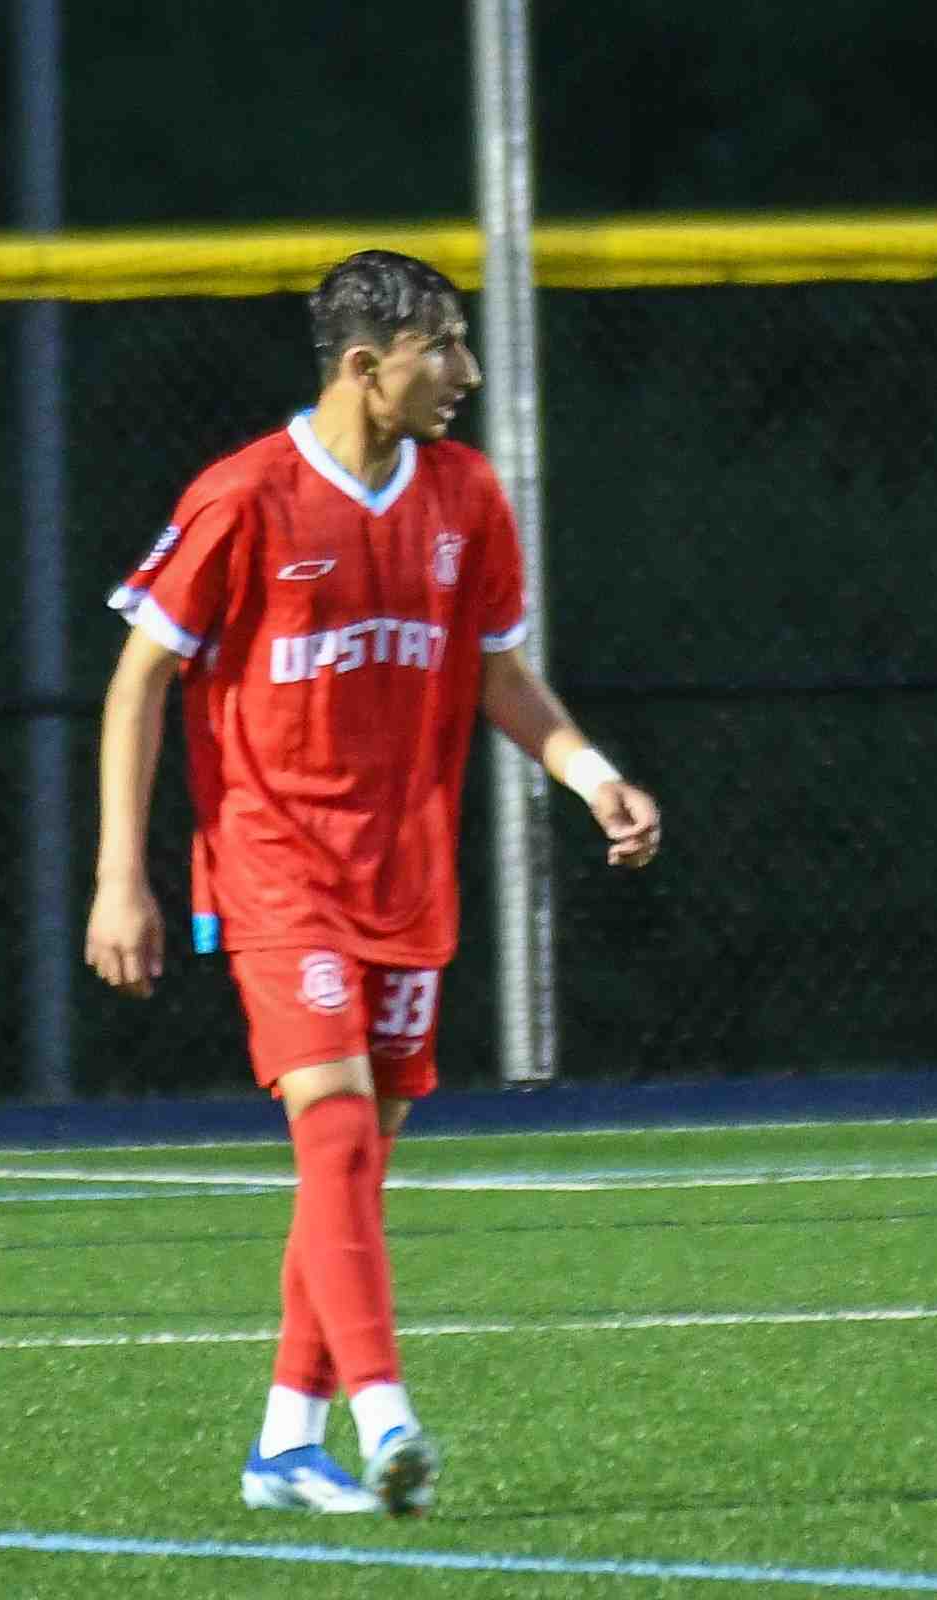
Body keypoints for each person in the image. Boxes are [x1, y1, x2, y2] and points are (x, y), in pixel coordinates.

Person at [83, 249, 661, 1515]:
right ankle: (387, 1414)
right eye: (441, 347)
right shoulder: (246, 497)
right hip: (273, 865)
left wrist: (589, 774)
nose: (463, 372)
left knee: (354, 1162)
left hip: (407, 873)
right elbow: (138, 681)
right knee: (336, 1127)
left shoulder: (464, 496)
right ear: (365, 366)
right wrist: (119, 874)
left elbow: (497, 670)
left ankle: (286, 1439)